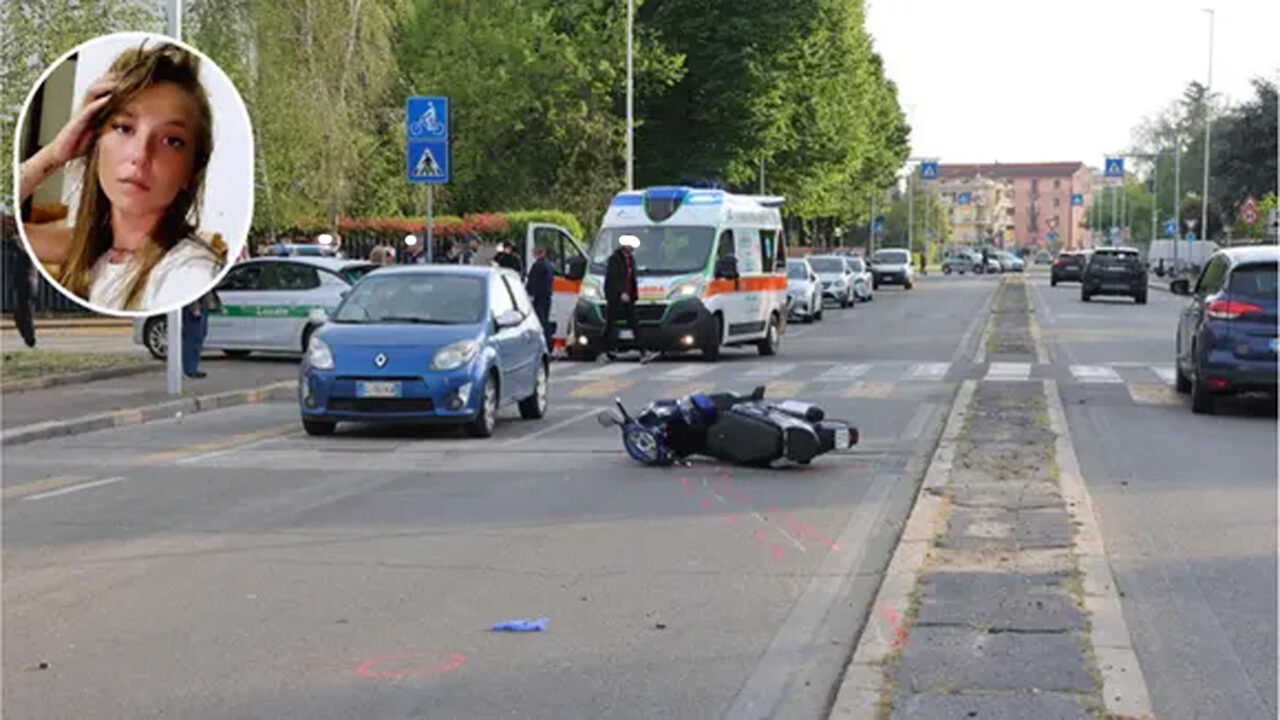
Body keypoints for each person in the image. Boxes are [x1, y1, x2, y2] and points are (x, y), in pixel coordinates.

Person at [16, 41, 224, 312]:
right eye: (124, 128)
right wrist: (54, 153)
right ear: (95, 140)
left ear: (191, 170)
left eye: (172, 140)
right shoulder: (94, 248)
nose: (141, 154)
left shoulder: (188, 271)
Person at [602, 234, 656, 363]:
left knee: (635, 324)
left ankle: (643, 352)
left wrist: (632, 294)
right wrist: (620, 293)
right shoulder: (614, 259)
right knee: (611, 325)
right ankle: (604, 351)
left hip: (629, 297)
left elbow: (631, 278)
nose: (632, 248)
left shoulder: (630, 259)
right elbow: (613, 279)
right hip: (616, 298)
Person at [181, 288, 220, 378]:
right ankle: (189, 369)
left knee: (199, 337)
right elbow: (191, 290)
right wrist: (194, 308)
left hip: (202, 307)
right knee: (193, 339)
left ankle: (192, 368)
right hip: (195, 308)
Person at [525, 246, 555, 354]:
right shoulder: (550, 265)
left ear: (538, 253)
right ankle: (549, 345)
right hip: (547, 297)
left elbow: (532, 282)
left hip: (539, 298)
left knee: (540, 323)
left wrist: (528, 294)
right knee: (545, 321)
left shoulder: (537, 266)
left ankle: (543, 347)